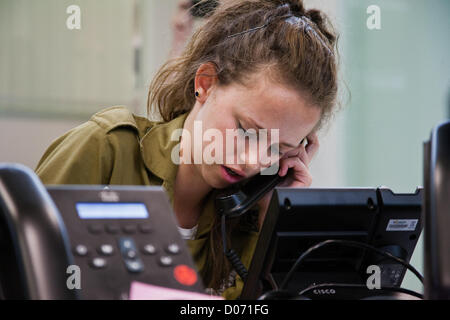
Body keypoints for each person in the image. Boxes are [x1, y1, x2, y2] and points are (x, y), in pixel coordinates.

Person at [35, 0, 339, 299]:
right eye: (247, 131)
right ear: (205, 84)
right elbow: (22, 271)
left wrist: (273, 216)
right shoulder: (107, 149)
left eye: (277, 148)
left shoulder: (250, 210)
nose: (253, 161)